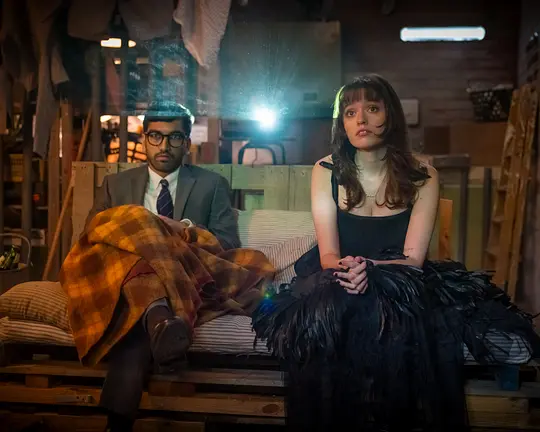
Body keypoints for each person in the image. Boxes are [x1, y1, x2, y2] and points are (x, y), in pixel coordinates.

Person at [252, 74, 540, 432]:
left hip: (400, 277)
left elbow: (413, 259)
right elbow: (328, 255)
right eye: (350, 112)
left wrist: (369, 268)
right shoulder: (325, 171)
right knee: (329, 312)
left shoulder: (424, 175)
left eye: (372, 108)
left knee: (404, 317)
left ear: (390, 115)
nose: (361, 119)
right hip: (338, 271)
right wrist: (351, 270)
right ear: (342, 124)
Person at [81, 102, 241, 431]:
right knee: (135, 242)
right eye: (155, 136)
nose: (164, 145)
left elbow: (227, 242)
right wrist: (139, 231)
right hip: (126, 272)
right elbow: (91, 237)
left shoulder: (211, 185)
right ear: (144, 139)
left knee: (137, 302)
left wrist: (180, 229)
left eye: (174, 137)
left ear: (187, 142)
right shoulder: (116, 185)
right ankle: (161, 327)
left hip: (180, 273)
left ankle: (117, 423)